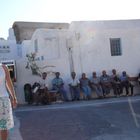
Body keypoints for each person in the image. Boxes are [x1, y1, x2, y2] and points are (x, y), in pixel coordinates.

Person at [0, 64, 17, 140]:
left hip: (3, 100)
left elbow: (9, 82)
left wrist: (14, 97)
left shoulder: (3, 67)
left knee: (3, 126)